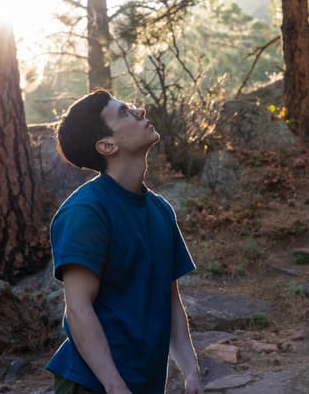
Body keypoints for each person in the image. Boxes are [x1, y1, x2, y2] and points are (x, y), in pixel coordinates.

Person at [46, 89, 203, 394]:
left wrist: (191, 369)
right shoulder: (86, 211)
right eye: (125, 112)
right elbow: (77, 309)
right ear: (107, 145)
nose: (140, 112)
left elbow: (170, 299)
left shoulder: (160, 210)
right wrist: (114, 385)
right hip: (92, 383)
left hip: (144, 382)